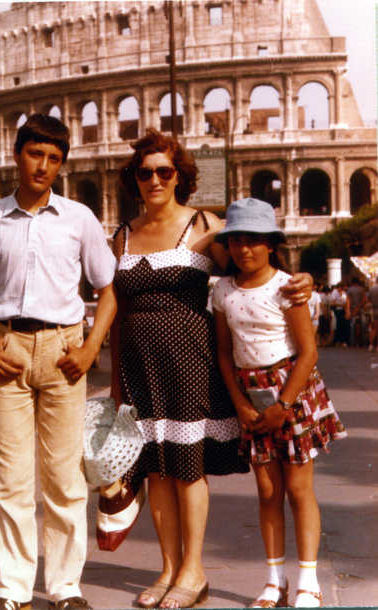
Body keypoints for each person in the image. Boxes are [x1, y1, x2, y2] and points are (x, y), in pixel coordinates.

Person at [110, 129, 313, 610]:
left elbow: (251, 270)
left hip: (189, 361)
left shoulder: (204, 225)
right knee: (154, 468)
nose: (155, 180)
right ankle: (167, 568)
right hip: (140, 365)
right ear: (133, 178)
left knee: (186, 466)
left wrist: (298, 280)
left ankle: (193, 570)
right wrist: (115, 380)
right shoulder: (121, 235)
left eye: (164, 171)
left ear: (178, 176)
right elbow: (116, 311)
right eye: (145, 172)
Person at [0, 114, 117, 610]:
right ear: (17, 156)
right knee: (11, 478)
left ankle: (65, 588)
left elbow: (108, 290)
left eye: (53, 158)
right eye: (35, 154)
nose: (43, 166)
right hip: (10, 351)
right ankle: (13, 590)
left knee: (65, 478)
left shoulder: (79, 219)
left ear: (62, 165)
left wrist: (90, 348)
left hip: (64, 352)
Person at [213, 198, 346, 608]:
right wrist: (240, 404)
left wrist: (283, 405)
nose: (244, 249)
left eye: (254, 240)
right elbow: (224, 353)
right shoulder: (222, 290)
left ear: (271, 244)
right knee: (267, 491)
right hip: (250, 395)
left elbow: (308, 351)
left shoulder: (287, 287)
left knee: (299, 489)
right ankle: (275, 581)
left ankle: (308, 580)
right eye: (236, 240)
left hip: (292, 390)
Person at [346, 277, 367, 347]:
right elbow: (364, 300)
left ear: (352, 282)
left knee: (352, 325)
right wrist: (359, 307)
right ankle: (364, 342)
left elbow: (348, 301)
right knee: (363, 324)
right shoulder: (362, 289)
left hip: (352, 309)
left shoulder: (349, 290)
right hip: (361, 309)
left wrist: (348, 311)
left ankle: (352, 342)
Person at [329, 283, 350, 347]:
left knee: (343, 326)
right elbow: (332, 303)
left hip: (343, 311)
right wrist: (340, 305)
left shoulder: (344, 293)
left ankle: (343, 341)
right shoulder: (334, 292)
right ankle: (337, 341)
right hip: (337, 311)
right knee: (337, 326)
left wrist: (347, 310)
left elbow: (347, 301)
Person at [367, 276, 378, 351]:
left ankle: (371, 345)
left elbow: (368, 299)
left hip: (373, 310)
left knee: (373, 328)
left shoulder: (372, 289)